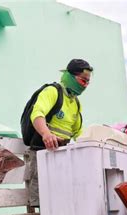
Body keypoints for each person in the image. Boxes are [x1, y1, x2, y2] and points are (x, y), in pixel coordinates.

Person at [25, 58, 93, 206]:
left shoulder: (76, 103)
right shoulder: (53, 91)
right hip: (42, 154)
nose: (86, 85)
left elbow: (78, 133)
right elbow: (37, 114)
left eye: (88, 82)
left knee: (62, 201)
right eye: (83, 81)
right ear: (70, 76)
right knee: (43, 203)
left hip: (63, 159)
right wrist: (46, 134)